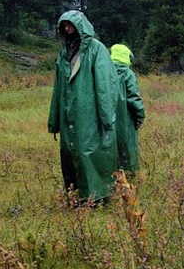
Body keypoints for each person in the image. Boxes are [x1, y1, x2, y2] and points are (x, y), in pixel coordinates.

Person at [47, 11, 127, 203]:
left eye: (70, 25)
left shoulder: (96, 50)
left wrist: (107, 117)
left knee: (88, 152)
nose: (67, 29)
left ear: (80, 26)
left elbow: (105, 85)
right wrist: (55, 121)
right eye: (64, 26)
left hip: (89, 113)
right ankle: (76, 196)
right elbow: (57, 88)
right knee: (69, 154)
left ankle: (97, 196)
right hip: (69, 114)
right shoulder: (64, 52)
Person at [109, 43, 146, 173]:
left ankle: (111, 174)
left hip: (106, 119)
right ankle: (128, 175)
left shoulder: (103, 72)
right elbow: (134, 97)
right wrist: (140, 117)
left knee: (110, 147)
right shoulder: (128, 74)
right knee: (127, 147)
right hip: (126, 118)